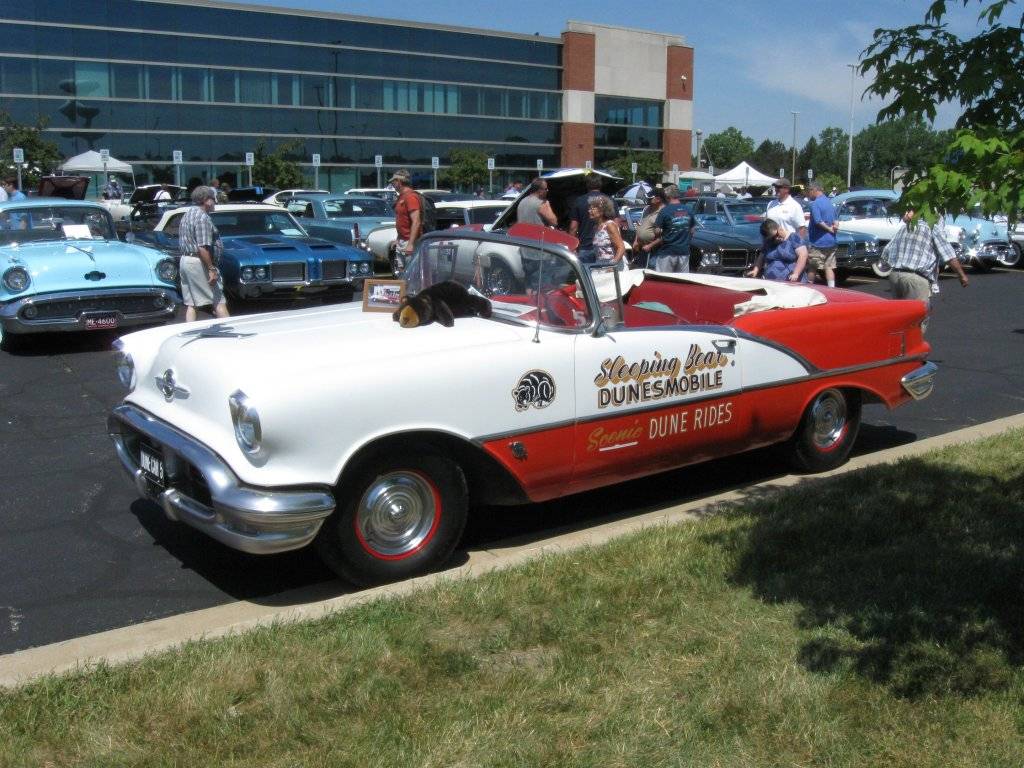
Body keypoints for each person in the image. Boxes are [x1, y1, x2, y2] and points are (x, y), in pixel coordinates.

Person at [882, 209, 968, 323]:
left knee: (900, 320)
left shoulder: (905, 227)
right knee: (917, 320)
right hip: (915, 279)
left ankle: (901, 341)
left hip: (895, 275)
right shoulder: (933, 228)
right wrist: (962, 276)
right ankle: (913, 341)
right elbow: (949, 255)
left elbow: (886, 251)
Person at [178, 185, 229, 323]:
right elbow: (202, 247)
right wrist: (211, 269)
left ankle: (190, 330)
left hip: (185, 260)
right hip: (197, 261)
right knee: (218, 299)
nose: (215, 203)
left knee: (192, 302)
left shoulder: (188, 214)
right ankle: (232, 331)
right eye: (213, 199)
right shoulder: (202, 218)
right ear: (206, 200)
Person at [648, 186, 696, 273]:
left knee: (664, 280)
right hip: (684, 252)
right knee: (682, 282)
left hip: (667, 252)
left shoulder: (664, 211)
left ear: (667, 197)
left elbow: (657, 231)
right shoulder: (689, 210)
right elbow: (692, 231)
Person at [569, 175, 614, 264]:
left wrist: (572, 246)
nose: (591, 210)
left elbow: (573, 227)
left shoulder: (579, 201)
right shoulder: (609, 200)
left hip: (584, 245)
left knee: (585, 275)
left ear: (587, 185)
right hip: (606, 248)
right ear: (600, 185)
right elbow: (617, 223)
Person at [805, 181, 839, 287]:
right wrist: (834, 229)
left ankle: (809, 287)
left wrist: (828, 229)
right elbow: (836, 220)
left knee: (812, 267)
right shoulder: (830, 202)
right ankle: (832, 288)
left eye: (809, 191)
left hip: (818, 242)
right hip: (831, 241)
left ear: (814, 190)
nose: (808, 194)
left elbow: (818, 221)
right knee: (828, 266)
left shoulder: (815, 204)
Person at [389, 168, 421, 275]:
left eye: (394, 181)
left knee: (411, 274)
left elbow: (416, 221)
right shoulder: (401, 197)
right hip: (402, 241)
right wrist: (398, 239)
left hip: (409, 241)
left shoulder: (411, 197)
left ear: (399, 181)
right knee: (401, 273)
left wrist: (411, 244)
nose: (392, 184)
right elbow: (402, 221)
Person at [588, 195, 625, 269]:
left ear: (602, 211)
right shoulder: (595, 227)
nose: (589, 211)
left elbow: (621, 247)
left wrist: (612, 266)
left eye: (592, 209)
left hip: (613, 268)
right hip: (600, 266)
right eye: (589, 208)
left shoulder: (609, 225)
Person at [634, 187, 666, 267]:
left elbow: (665, 234)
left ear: (658, 199)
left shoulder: (664, 212)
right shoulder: (646, 209)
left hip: (655, 251)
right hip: (642, 249)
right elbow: (640, 225)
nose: (647, 200)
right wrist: (636, 240)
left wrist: (650, 246)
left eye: (650, 198)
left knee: (652, 271)